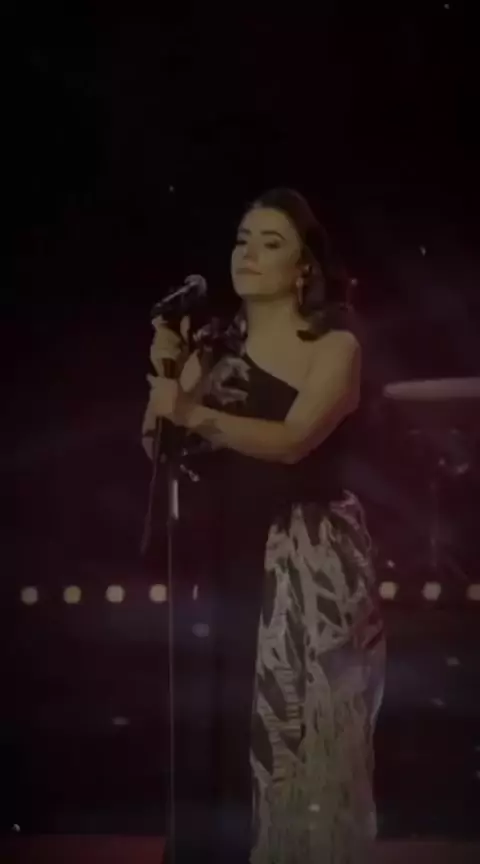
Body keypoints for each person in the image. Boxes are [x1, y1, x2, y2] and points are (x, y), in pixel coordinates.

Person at [142, 188, 385, 863]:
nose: (248, 253)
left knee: (284, 735)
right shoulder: (212, 347)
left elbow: (293, 440)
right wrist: (167, 370)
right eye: (242, 239)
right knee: (213, 731)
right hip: (219, 557)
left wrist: (194, 412)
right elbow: (158, 443)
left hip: (297, 571)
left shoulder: (333, 345)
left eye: (270, 242)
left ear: (304, 267)